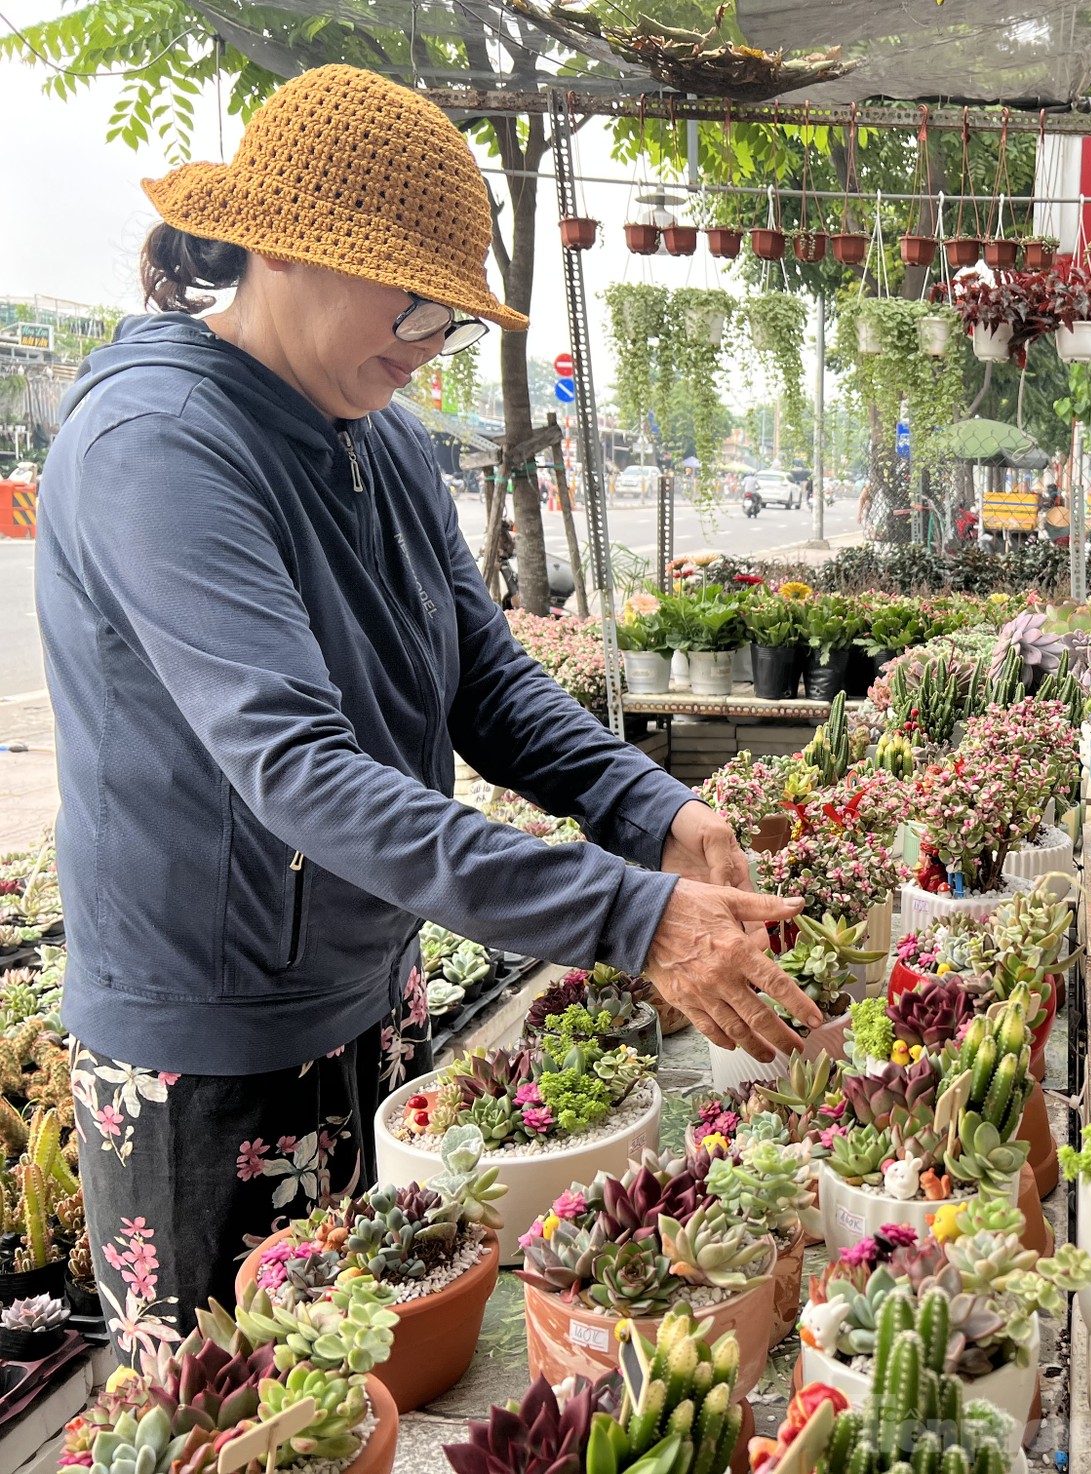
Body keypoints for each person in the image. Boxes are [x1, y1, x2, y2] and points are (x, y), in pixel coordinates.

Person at [35, 65, 818, 1359]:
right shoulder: (159, 441)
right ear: (287, 250)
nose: (423, 343)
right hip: (209, 1041)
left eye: (446, 320)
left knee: (377, 1366)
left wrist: (651, 808)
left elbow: (484, 679)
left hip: (371, 985)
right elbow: (295, 767)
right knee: (243, 1404)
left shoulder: (379, 433)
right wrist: (630, 914)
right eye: (410, 304)